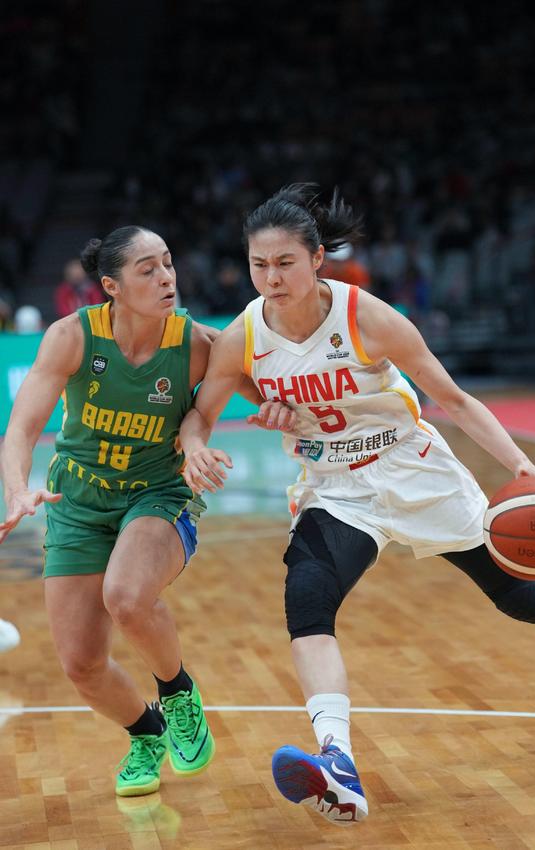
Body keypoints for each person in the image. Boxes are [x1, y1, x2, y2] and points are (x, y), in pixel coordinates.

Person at [179, 185, 535, 826]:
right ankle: (338, 762)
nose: (272, 278)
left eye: (285, 263)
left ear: (317, 259)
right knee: (307, 598)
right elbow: (201, 414)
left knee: (520, 596)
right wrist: (195, 447)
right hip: (336, 486)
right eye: (259, 265)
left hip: (413, 468)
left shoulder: (368, 318)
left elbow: (454, 400)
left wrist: (519, 465)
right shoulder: (245, 334)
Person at [0, 225, 283, 798]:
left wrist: (282, 413)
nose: (166, 278)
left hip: (158, 493)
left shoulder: (198, 344)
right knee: (81, 665)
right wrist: (16, 490)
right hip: (77, 500)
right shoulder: (71, 337)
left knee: (126, 597)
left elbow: (270, 395)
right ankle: (147, 732)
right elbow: (22, 430)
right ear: (112, 286)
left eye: (168, 263)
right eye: (147, 270)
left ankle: (177, 692)